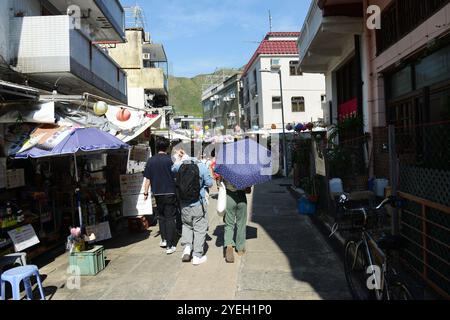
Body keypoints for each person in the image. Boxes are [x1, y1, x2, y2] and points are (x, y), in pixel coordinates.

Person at [172, 149, 213, 266]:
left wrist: (179, 158)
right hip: (198, 202)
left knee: (187, 225)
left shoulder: (179, 166)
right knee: (199, 228)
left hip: (184, 203)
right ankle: (197, 256)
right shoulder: (201, 166)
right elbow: (209, 183)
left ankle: (186, 249)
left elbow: (173, 169)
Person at [143, 138, 178, 255]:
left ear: (157, 147)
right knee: (170, 218)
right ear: (167, 147)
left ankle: (163, 240)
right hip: (170, 192)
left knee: (161, 217)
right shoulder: (170, 159)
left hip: (157, 193)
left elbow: (147, 178)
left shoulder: (151, 161)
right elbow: (176, 176)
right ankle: (170, 245)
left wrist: (145, 192)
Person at [222, 179, 251, 263]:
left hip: (229, 197)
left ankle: (229, 245)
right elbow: (248, 190)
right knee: (241, 224)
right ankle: (240, 249)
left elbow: (220, 185)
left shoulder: (226, 170)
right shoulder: (245, 173)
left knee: (229, 224)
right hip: (241, 198)